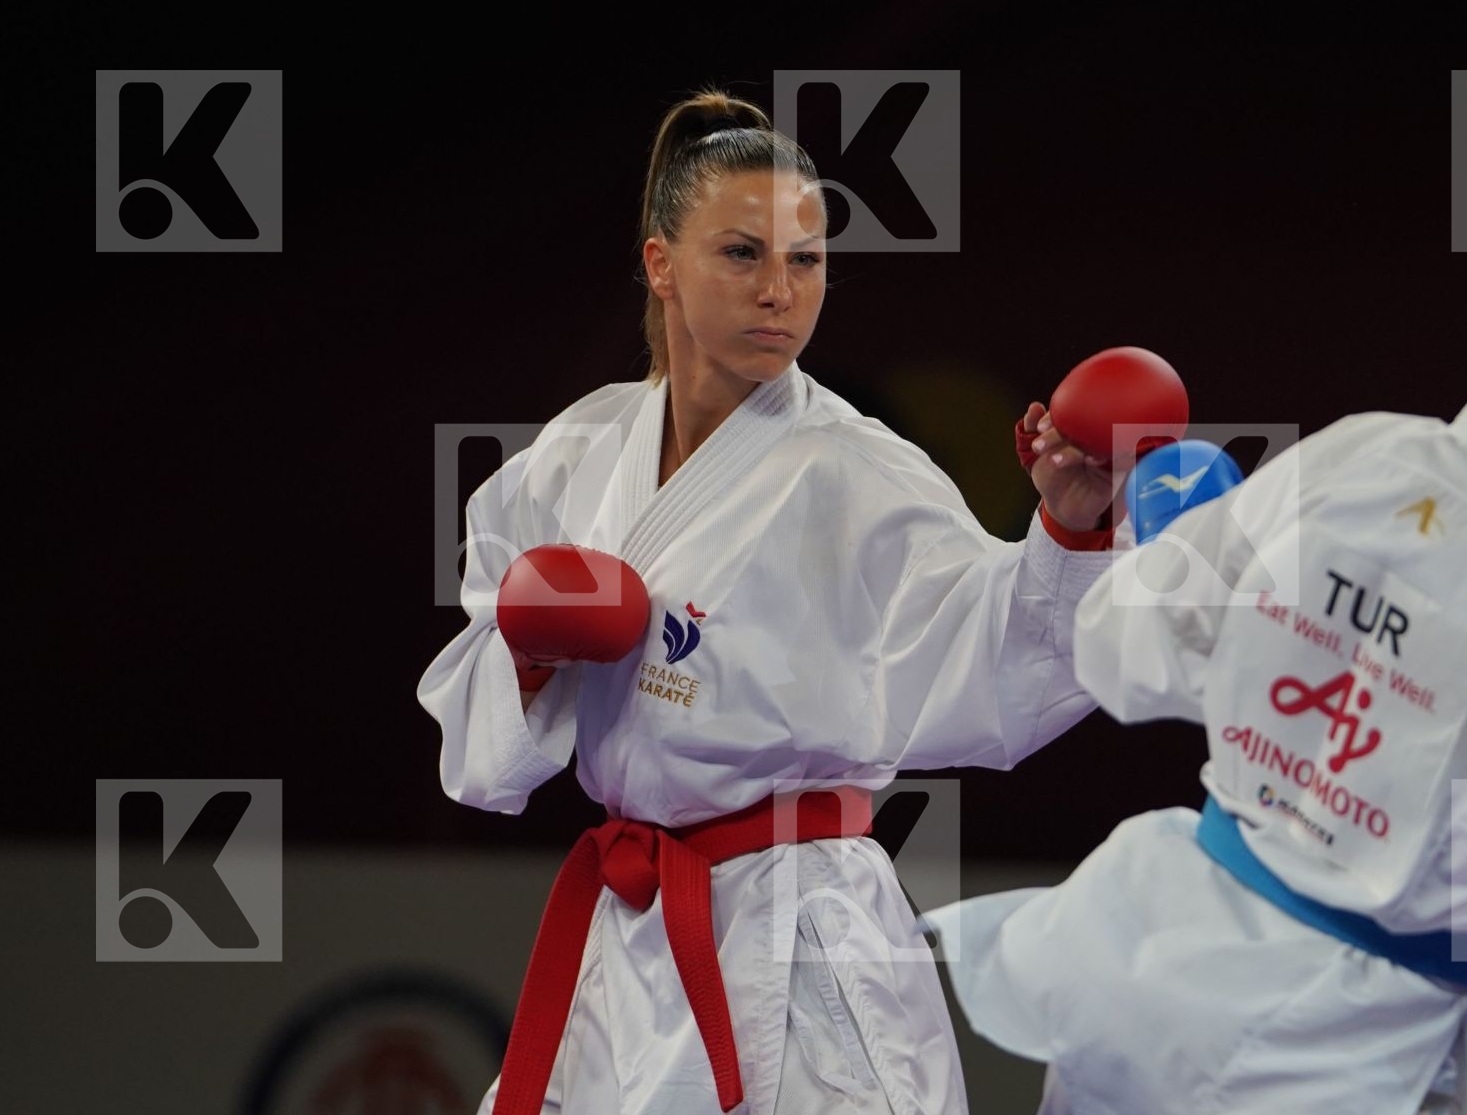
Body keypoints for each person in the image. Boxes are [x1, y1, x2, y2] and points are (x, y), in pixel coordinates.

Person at [922, 150, 1467, 1114]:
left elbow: (1118, 650)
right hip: (1364, 1068)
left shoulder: (1358, 457)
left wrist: (1168, 542)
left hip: (1148, 990)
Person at [415, 88, 1127, 1115]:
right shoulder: (574, 456)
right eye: (742, 254)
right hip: (631, 932)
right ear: (661, 263)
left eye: (807, 260)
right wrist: (530, 655)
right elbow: (478, 751)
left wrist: (1068, 529)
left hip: (804, 946)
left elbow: (997, 657)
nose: (780, 292)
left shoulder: (857, 470)